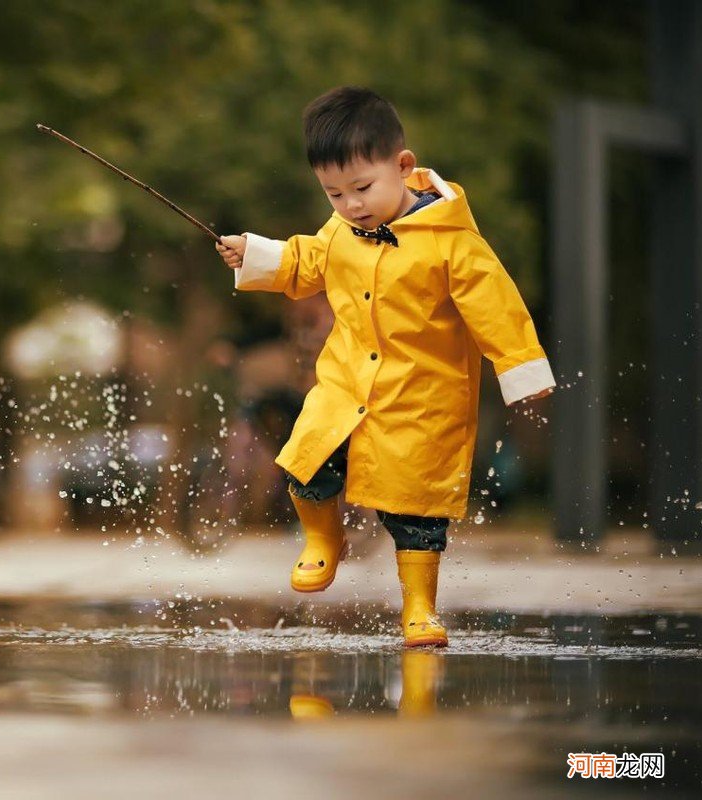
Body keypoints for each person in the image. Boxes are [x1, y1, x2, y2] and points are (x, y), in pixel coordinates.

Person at [216, 86, 554, 647]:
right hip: (346, 384)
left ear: (403, 166)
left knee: (416, 510)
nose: (350, 205)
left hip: (422, 397)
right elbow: (306, 262)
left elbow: (496, 306)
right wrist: (254, 253)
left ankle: (419, 607)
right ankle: (324, 541)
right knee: (306, 461)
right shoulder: (341, 231)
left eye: (362, 188)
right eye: (334, 194)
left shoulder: (454, 244)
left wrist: (520, 368)